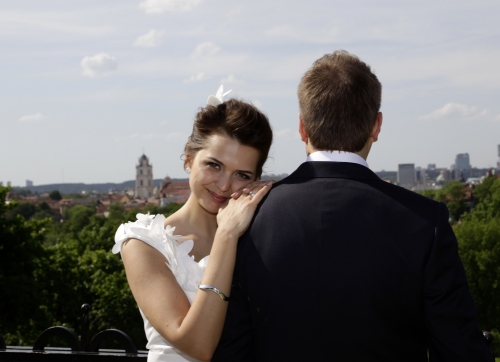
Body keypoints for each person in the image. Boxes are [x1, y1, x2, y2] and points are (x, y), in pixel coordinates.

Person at [213, 51, 493, 361]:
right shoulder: (425, 221)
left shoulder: (246, 217)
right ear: (376, 125)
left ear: (302, 127)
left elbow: (232, 349)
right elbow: (460, 351)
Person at [112, 87, 273, 362]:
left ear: (256, 179)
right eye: (214, 165)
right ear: (188, 158)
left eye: (242, 175)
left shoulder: (265, 236)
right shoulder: (144, 242)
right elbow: (196, 344)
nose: (224, 185)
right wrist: (226, 234)